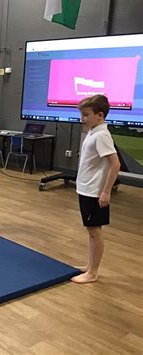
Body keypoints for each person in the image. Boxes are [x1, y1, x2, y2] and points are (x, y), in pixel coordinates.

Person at [72, 94, 120, 284]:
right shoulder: (94, 131)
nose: (82, 119)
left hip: (94, 192)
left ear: (99, 115)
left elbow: (115, 164)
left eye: (86, 115)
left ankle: (93, 272)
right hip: (86, 189)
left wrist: (106, 191)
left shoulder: (101, 135)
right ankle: (90, 266)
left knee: (94, 231)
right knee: (91, 230)